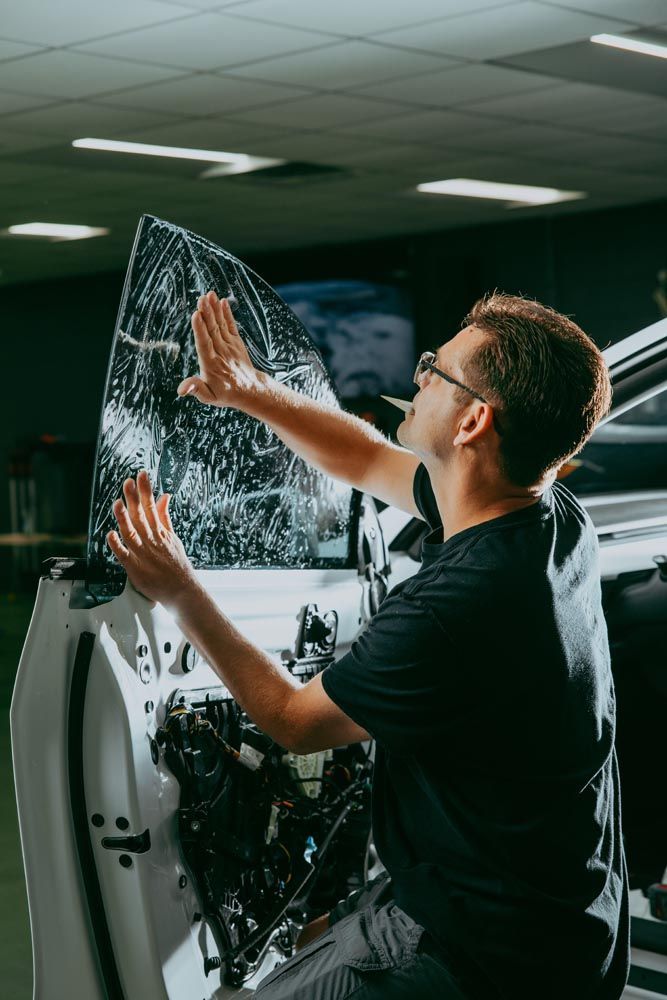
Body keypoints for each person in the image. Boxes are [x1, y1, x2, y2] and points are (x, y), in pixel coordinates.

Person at [108, 289, 629, 999]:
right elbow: (364, 459)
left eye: (435, 373)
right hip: (558, 917)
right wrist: (252, 392)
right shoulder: (549, 518)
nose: (417, 379)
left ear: (473, 420)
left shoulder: (460, 603)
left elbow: (293, 723)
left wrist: (179, 589)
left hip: (481, 947)